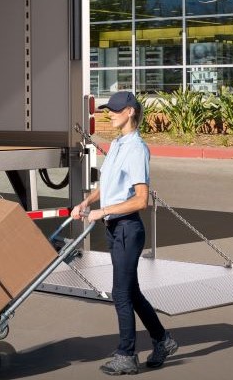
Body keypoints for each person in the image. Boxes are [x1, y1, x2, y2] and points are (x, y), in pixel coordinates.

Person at [71, 90, 178, 375]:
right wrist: (86, 202)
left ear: (130, 112)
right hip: (115, 228)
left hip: (129, 229)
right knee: (131, 291)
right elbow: (107, 187)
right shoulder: (118, 145)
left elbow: (141, 200)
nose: (111, 114)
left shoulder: (136, 149)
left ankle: (126, 354)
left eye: (116, 110)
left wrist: (103, 211)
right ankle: (163, 340)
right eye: (109, 109)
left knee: (120, 293)